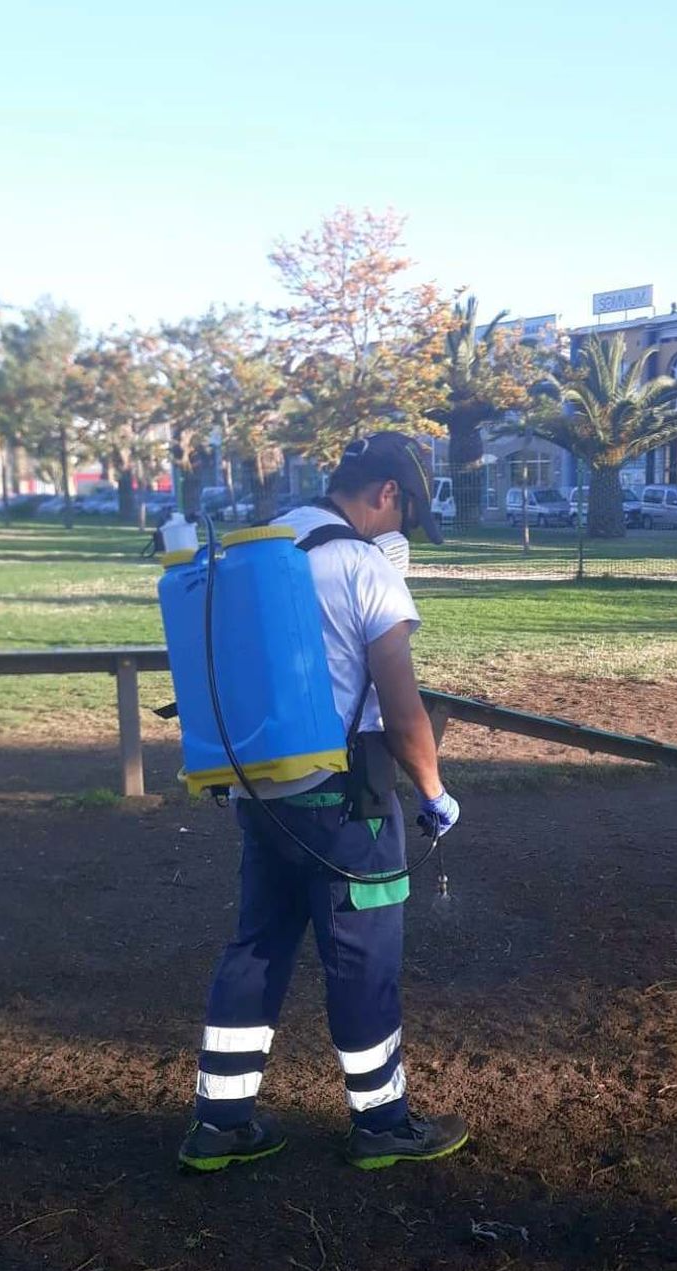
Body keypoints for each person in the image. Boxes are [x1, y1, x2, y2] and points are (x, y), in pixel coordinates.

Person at [178, 432, 466, 1174]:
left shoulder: (261, 550)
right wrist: (433, 791)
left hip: (262, 790)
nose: (400, 532)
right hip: (347, 804)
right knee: (364, 959)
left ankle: (220, 1124)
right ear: (387, 493)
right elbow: (402, 709)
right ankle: (383, 1124)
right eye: (405, 516)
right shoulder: (363, 567)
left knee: (258, 945)